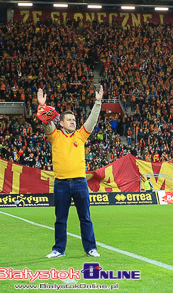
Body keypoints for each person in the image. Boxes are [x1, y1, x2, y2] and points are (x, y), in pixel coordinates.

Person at [38, 85, 103, 259]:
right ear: (61, 123)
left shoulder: (80, 135)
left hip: (80, 182)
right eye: (69, 119)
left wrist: (97, 103)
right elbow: (46, 122)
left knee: (85, 218)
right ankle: (58, 249)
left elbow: (92, 121)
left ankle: (90, 248)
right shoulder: (55, 135)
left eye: (74, 119)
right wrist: (42, 106)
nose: (73, 121)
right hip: (61, 184)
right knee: (60, 219)